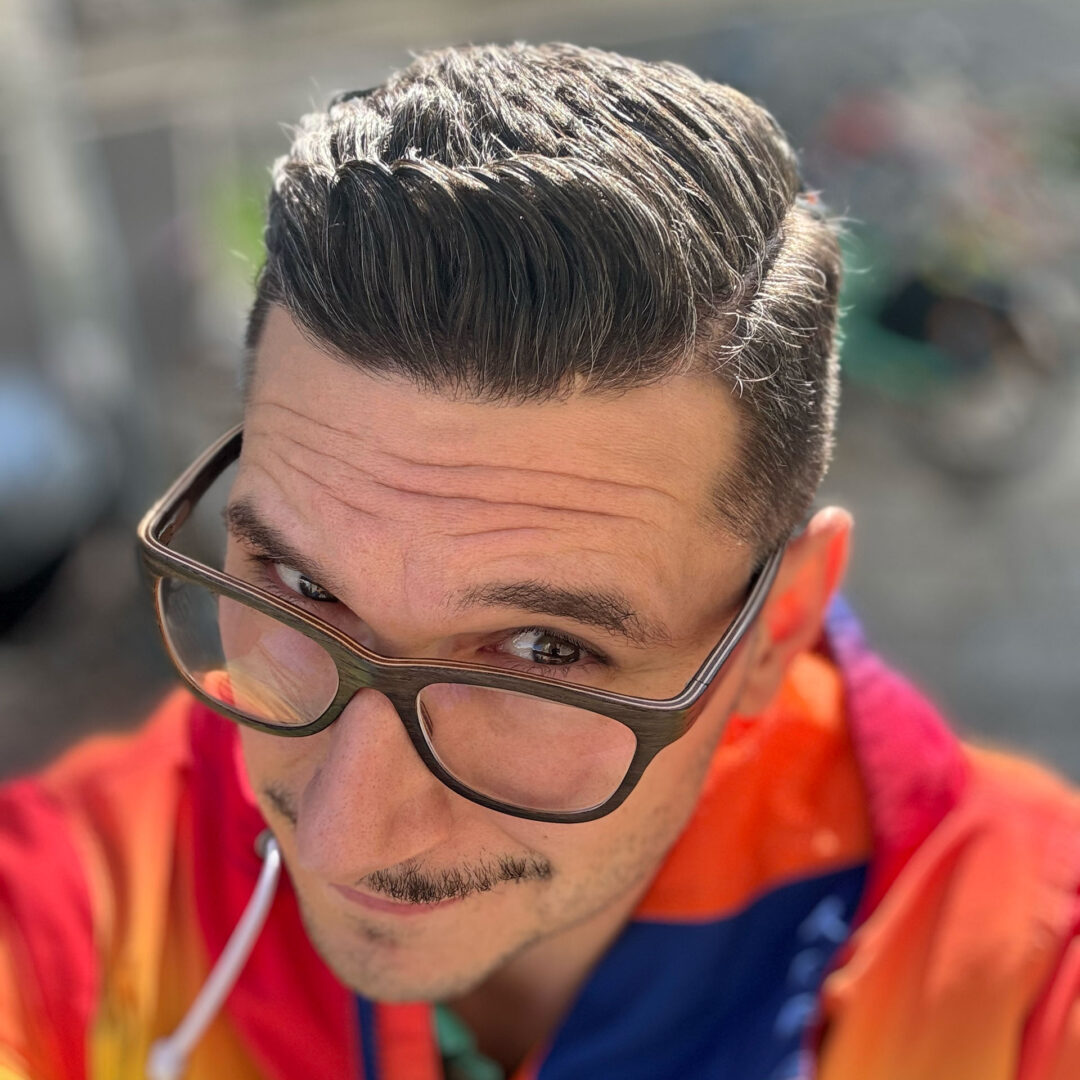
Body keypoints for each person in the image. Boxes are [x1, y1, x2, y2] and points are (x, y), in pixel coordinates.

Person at [1, 41, 1078, 1080]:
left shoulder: (1023, 986)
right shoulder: (94, 893)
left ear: (776, 625)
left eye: (540, 650)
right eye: (304, 587)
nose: (340, 837)